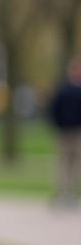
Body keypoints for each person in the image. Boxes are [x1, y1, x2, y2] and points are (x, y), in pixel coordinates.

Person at [49, 57, 81, 207]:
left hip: (75, 131)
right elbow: (54, 109)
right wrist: (59, 125)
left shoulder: (64, 89)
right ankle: (63, 193)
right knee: (64, 164)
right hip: (66, 132)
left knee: (72, 164)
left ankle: (70, 193)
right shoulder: (63, 90)